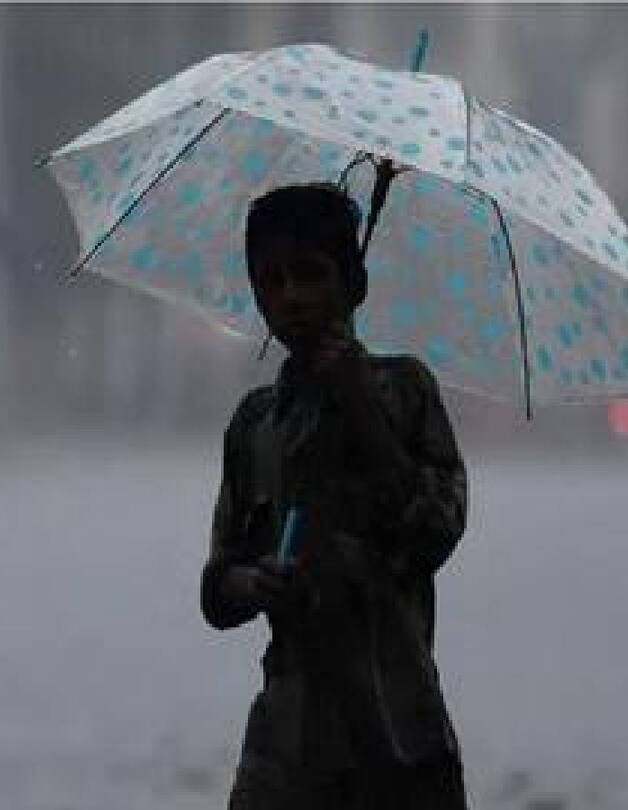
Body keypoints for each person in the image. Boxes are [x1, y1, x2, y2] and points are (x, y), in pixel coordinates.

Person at [201, 183, 470, 809]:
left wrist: (362, 410)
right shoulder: (256, 424)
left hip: (399, 736)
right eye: (272, 282)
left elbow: (436, 531)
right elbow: (217, 588)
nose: (291, 297)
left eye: (311, 275)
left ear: (355, 284)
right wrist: (254, 584)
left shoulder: (406, 393)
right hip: (285, 751)